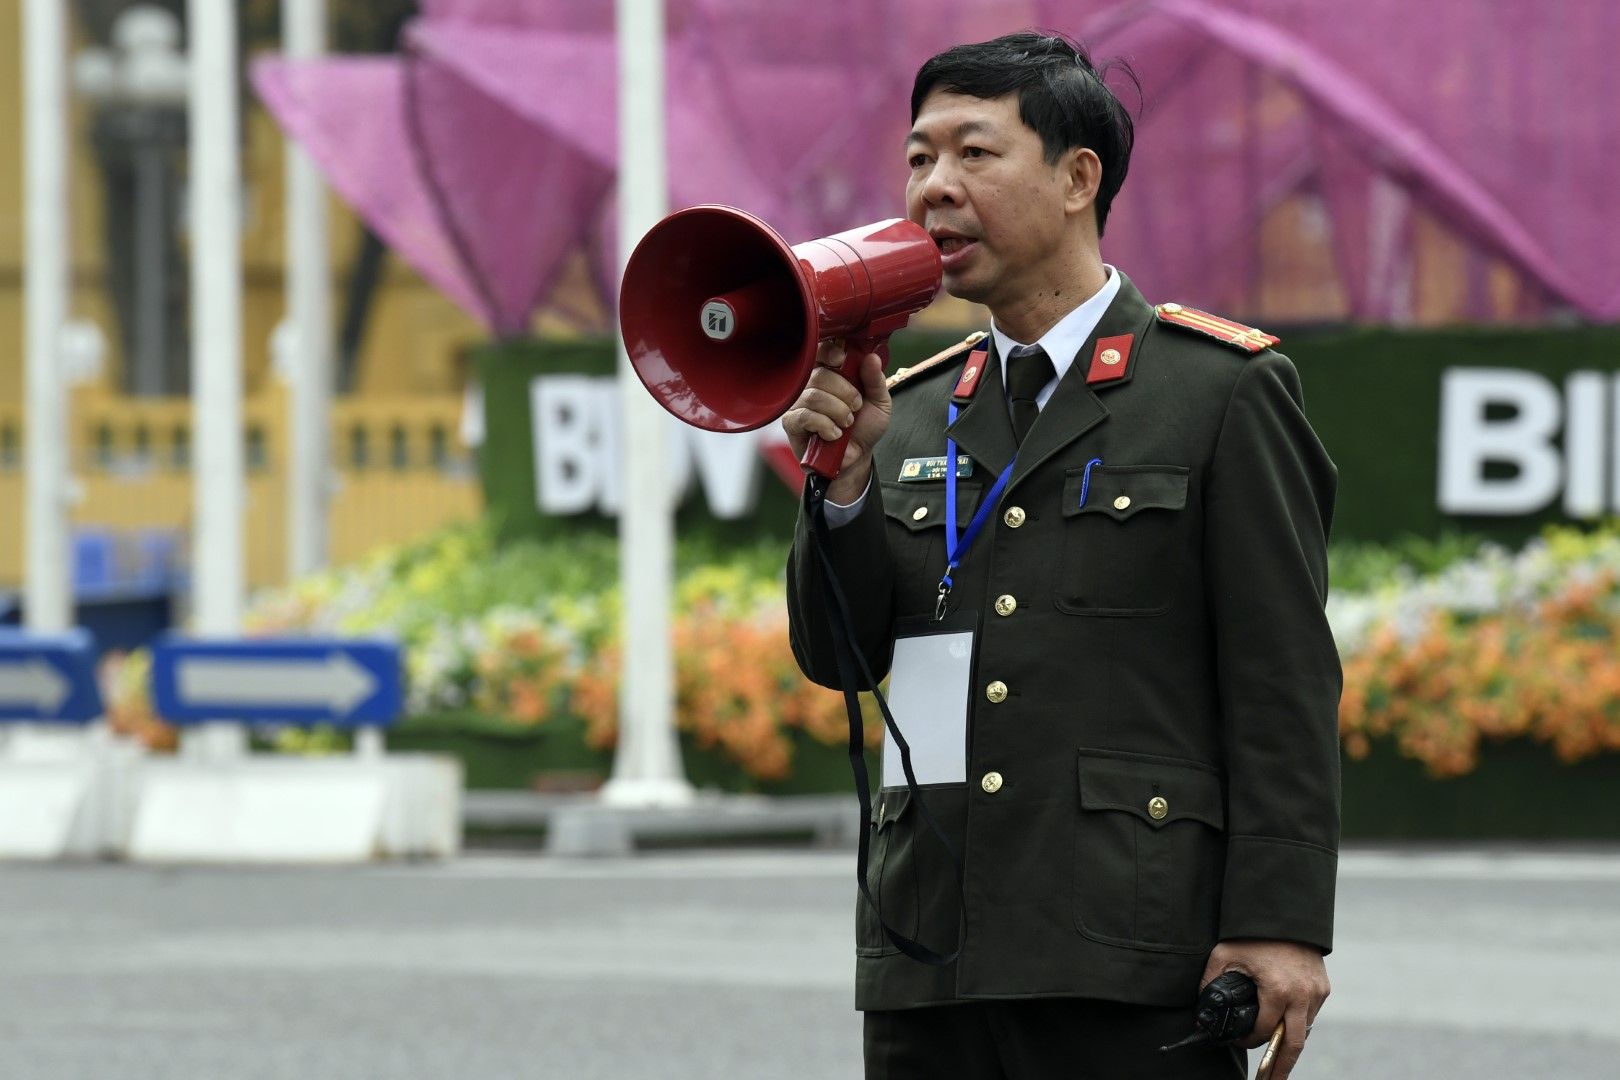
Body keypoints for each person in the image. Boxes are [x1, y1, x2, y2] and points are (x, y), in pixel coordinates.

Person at [781, 32, 1340, 1080]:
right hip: (929, 954)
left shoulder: (1215, 392)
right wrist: (845, 483)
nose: (933, 189)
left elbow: (1283, 679)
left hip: (1126, 953)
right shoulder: (904, 412)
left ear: (1079, 177)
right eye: (917, 158)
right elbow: (839, 657)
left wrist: (1282, 921)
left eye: (975, 154)